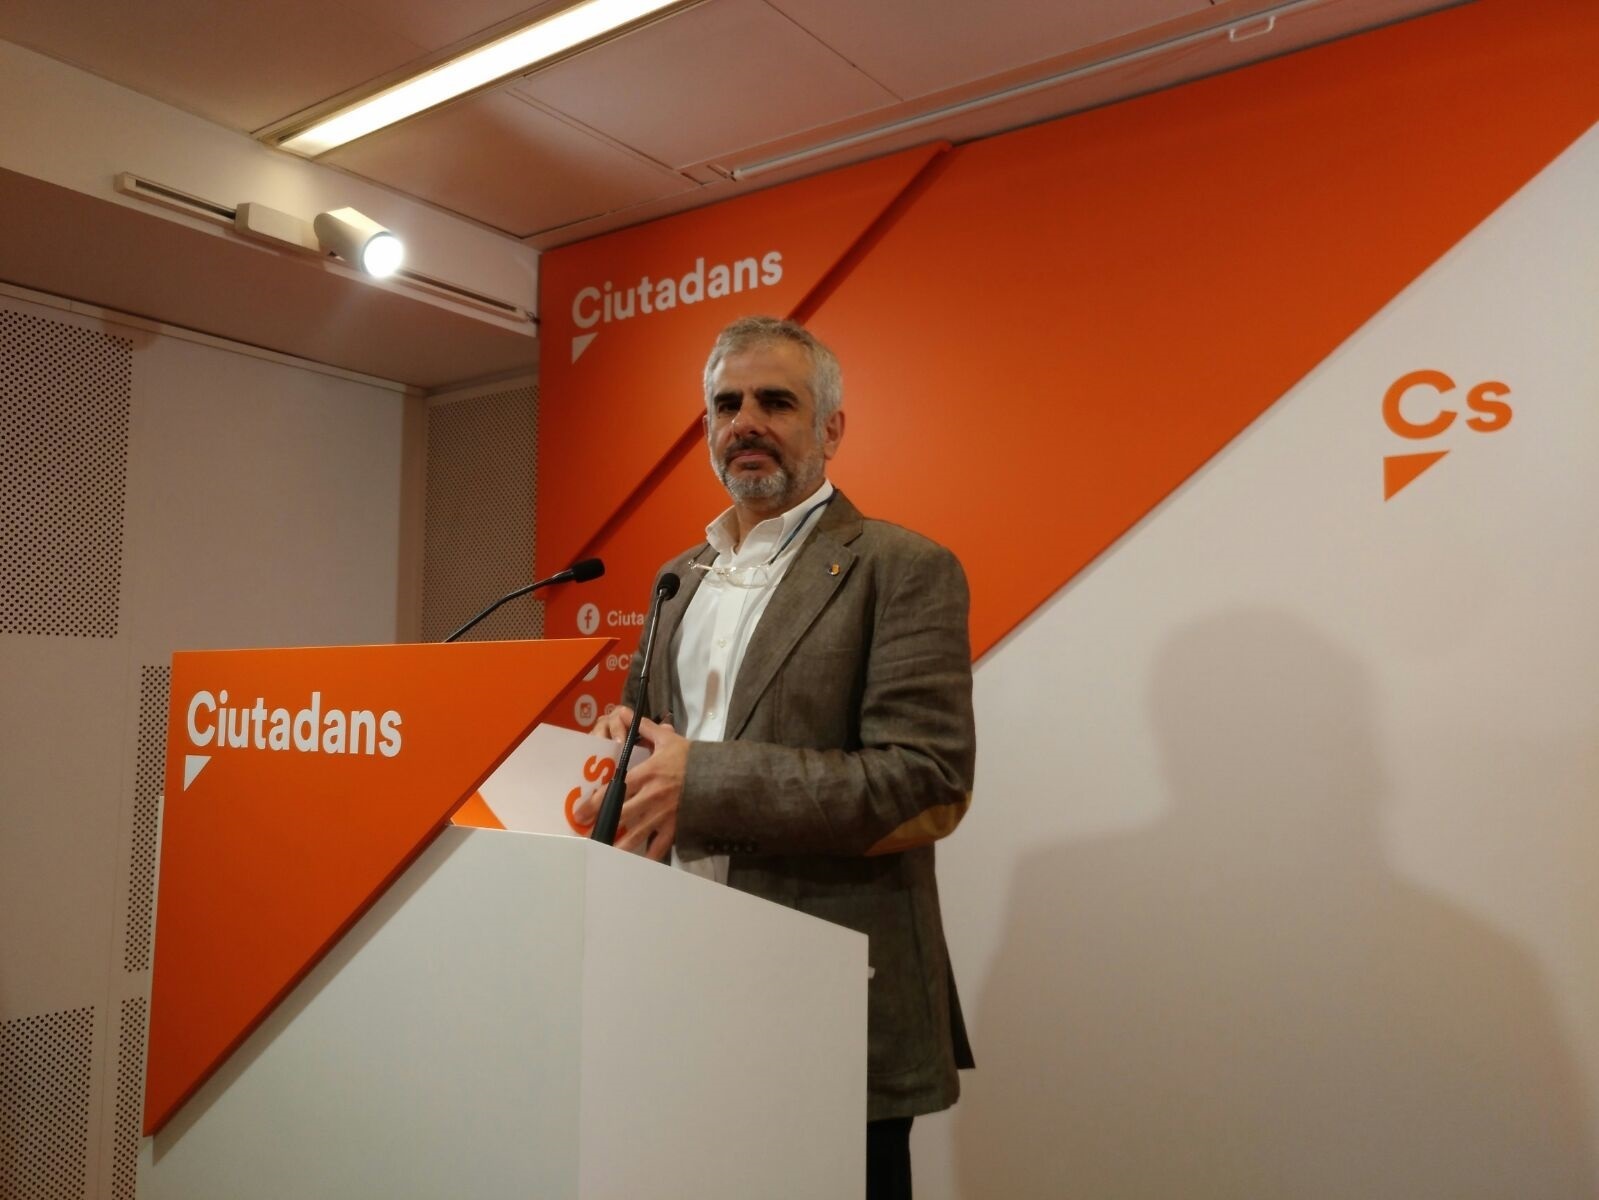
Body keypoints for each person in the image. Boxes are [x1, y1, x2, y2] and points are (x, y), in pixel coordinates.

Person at [581, 315, 975, 1199]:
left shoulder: (900, 567)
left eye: (775, 402)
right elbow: (668, 735)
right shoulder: (678, 576)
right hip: (679, 983)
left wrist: (701, 779)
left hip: (828, 998)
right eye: (726, 405)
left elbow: (926, 782)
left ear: (830, 428)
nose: (745, 422)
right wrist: (624, 740)